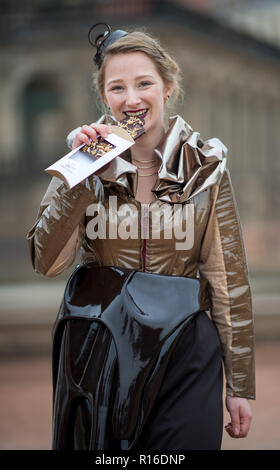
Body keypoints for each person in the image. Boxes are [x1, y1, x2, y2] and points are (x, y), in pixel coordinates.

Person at [27, 24, 255, 451]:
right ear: (105, 98)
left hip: (186, 350)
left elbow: (228, 280)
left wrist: (239, 383)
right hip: (101, 348)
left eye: (144, 83)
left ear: (168, 87)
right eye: (117, 88)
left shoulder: (207, 168)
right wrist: (79, 179)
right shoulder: (85, 159)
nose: (131, 99)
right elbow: (46, 261)